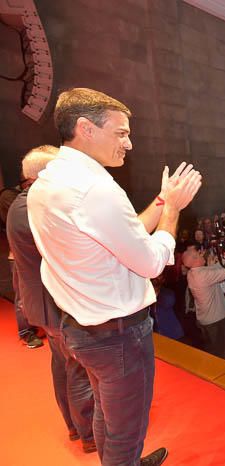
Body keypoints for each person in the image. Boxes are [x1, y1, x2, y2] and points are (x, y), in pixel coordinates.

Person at [27, 88, 202, 465]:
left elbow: (125, 236)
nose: (130, 143)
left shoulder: (49, 180)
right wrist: (172, 209)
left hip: (81, 325)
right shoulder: (95, 189)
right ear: (86, 128)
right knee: (127, 433)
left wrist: (159, 199)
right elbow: (153, 261)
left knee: (107, 411)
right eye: (120, 132)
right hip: (117, 334)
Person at [6, 145, 95, 453]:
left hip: (40, 301)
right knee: (78, 367)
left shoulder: (21, 204)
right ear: (43, 174)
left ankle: (74, 426)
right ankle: (89, 433)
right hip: (53, 302)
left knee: (62, 363)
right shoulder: (32, 206)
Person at [182, 245, 225, 359]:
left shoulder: (192, 273)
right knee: (219, 353)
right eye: (199, 254)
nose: (202, 255)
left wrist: (224, 258)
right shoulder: (202, 275)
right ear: (195, 259)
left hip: (205, 319)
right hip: (215, 321)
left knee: (211, 350)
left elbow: (213, 269)